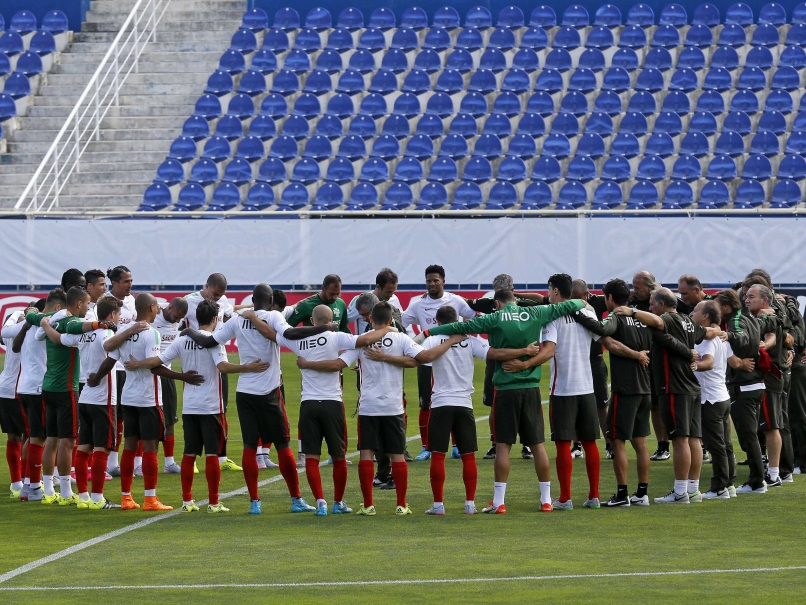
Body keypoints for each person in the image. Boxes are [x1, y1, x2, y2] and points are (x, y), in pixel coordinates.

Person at [424, 289, 585, 514]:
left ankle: (499, 503)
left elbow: (459, 328)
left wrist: (430, 330)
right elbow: (574, 303)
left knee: (502, 446)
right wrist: (572, 300)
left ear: (498, 303)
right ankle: (546, 500)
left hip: (505, 389)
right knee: (538, 445)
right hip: (530, 388)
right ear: (516, 301)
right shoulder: (537, 312)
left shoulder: (495, 317)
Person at [368, 305, 539, 515]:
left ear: (438, 323)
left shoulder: (432, 340)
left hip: (440, 404)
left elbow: (417, 353)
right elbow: (495, 353)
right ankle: (470, 504)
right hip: (464, 404)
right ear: (457, 320)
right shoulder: (469, 340)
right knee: (468, 456)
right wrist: (525, 352)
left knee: (438, 456)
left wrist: (416, 337)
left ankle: (438, 505)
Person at [181, 284, 335, 515]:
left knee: (249, 446)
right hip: (270, 392)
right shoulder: (273, 316)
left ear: (252, 299)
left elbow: (209, 341)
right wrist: (324, 328)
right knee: (283, 445)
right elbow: (290, 334)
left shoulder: (237, 319)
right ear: (271, 300)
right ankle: (296, 499)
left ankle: (255, 502)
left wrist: (188, 331)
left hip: (245, 392)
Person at [127, 299, 269, 514]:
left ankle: (187, 501)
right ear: (215, 319)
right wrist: (247, 367)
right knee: (213, 454)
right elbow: (222, 366)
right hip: (211, 406)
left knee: (189, 454)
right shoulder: (213, 341)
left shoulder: (181, 340)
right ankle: (213, 503)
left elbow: (157, 365)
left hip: (190, 406)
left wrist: (176, 375)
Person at [299, 302, 429, 516]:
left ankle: (368, 505)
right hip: (393, 405)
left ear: (370, 319)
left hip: (368, 405)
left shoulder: (361, 342)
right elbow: (418, 360)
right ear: (390, 320)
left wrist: (307, 364)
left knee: (366, 454)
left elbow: (338, 364)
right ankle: (401, 505)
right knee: (397, 454)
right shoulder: (401, 338)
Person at [279, 304, 399, 515]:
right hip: (332, 403)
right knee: (338, 457)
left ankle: (320, 502)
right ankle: (338, 502)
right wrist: (387, 329)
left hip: (308, 404)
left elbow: (274, 334)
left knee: (312, 457)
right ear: (330, 320)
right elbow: (364, 340)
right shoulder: (336, 336)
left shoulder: (298, 339)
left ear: (312, 322)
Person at [613, 288, 723, 504]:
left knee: (680, 439)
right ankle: (693, 489)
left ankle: (680, 491)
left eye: (653, 304)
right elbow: (708, 333)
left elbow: (657, 322)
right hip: (691, 386)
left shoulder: (666, 319)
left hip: (674, 387)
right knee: (694, 439)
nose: (651, 307)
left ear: (662, 304)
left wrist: (631, 311)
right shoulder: (688, 321)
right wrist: (719, 331)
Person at [105, 293, 202, 511]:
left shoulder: (124, 331)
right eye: (157, 306)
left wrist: (95, 377)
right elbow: (155, 365)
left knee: (129, 447)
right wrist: (183, 376)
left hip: (127, 396)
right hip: (148, 398)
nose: (159, 308)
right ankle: (150, 499)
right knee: (149, 448)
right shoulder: (152, 334)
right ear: (150, 307)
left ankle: (126, 498)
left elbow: (109, 353)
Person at [518, 274, 602, 511]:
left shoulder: (552, 316)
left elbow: (548, 351)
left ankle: (565, 498)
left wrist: (525, 363)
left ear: (555, 291)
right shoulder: (588, 312)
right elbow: (602, 339)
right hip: (586, 386)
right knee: (589, 442)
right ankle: (594, 496)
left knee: (563, 444)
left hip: (563, 387)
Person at [572, 279, 654, 507]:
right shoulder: (641, 318)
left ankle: (621, 494)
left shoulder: (614, 316)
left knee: (617, 441)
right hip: (645, 388)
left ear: (608, 298)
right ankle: (642, 494)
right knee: (641, 442)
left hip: (625, 388)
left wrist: (577, 313)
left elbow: (603, 331)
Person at [25, 287, 110, 506]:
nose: (90, 308)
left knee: (51, 439)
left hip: (49, 386)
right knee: (68, 441)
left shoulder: (48, 318)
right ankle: (64, 493)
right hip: (66, 389)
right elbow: (80, 326)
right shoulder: (67, 322)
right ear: (78, 304)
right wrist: (99, 324)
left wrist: (33, 312)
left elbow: (32, 315)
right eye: (88, 304)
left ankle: (48, 490)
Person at [40, 296, 123, 509]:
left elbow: (58, 339)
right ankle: (97, 499)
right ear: (112, 315)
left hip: (85, 398)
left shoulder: (84, 334)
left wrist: (46, 326)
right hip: (103, 399)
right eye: (119, 314)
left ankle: (84, 497)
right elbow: (111, 357)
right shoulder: (108, 334)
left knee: (84, 448)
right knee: (102, 449)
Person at [401, 265, 477, 461]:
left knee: (453, 401)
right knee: (426, 404)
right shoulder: (418, 304)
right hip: (429, 360)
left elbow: (475, 318)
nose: (432, 284)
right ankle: (426, 447)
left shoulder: (456, 300)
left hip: (453, 356)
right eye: (429, 281)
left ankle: (457, 446)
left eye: (436, 280)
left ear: (443, 281)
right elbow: (402, 324)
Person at [474, 274, 541, 461]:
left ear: (512, 291)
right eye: (496, 291)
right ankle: (496, 443)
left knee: (523, 405)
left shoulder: (526, 306)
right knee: (493, 404)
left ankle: (527, 444)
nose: (497, 297)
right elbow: (466, 304)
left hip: (522, 361)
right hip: (496, 362)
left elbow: (544, 301)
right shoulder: (489, 304)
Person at [184, 273, 239, 472]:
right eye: (214, 294)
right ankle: (194, 457)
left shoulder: (223, 301)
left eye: (220, 295)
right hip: (194, 360)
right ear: (206, 286)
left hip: (218, 357)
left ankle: (222, 457)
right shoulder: (189, 302)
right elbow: (177, 324)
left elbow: (230, 315)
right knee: (194, 407)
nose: (216, 298)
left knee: (221, 407)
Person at [714, 288, 767, 494]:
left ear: (726, 307)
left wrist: (730, 336)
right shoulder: (749, 316)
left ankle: (757, 481)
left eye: (717, 304)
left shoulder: (735, 321)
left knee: (748, 436)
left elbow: (742, 338)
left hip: (744, 385)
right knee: (750, 435)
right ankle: (758, 479)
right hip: (754, 384)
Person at [690, 300, 743, 500]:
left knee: (716, 445)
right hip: (722, 396)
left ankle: (720, 487)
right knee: (725, 443)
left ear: (705, 316)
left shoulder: (706, 339)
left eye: (695, 311)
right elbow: (733, 361)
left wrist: (692, 364)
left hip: (710, 398)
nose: (691, 313)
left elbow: (709, 363)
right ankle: (729, 484)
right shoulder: (722, 338)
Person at [744, 283, 786, 489]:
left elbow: (771, 338)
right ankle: (771, 471)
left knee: (771, 426)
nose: (747, 299)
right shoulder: (755, 317)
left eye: (752, 296)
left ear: (765, 300)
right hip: (760, 378)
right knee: (765, 426)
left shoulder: (768, 318)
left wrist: (760, 345)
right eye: (745, 296)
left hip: (769, 377)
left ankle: (774, 473)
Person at [102, 266, 136, 476]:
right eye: (125, 281)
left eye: (131, 280)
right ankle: (105, 462)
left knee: (123, 415)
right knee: (110, 415)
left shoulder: (132, 301)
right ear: (114, 283)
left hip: (128, 366)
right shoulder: (103, 302)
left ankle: (114, 463)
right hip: (111, 365)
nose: (129, 285)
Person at [14, 297, 48, 501]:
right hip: (37, 388)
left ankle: (27, 485)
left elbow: (16, 347)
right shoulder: (42, 328)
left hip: (24, 387)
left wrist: (25, 322)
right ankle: (35, 487)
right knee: (39, 437)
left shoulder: (26, 328)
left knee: (31, 435)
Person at [571, 279, 609, 460]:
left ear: (587, 295)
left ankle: (610, 444)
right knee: (574, 403)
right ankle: (576, 445)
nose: (576, 302)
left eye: (579, 298)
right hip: (575, 361)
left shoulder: (596, 304)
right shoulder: (563, 307)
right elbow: (539, 299)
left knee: (601, 405)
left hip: (595, 360)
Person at [151, 297, 188, 474]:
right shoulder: (154, 314)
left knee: (170, 420)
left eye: (181, 318)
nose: (177, 320)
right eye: (176, 316)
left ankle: (169, 462)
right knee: (148, 421)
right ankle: (138, 463)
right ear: (169, 307)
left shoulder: (176, 322)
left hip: (167, 375)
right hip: (150, 374)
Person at [1, 309, 28, 498]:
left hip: (8, 387)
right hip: (20, 389)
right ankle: (23, 481)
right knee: (29, 436)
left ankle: (19, 482)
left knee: (16, 437)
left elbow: (3, 336)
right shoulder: (29, 325)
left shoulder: (13, 319)